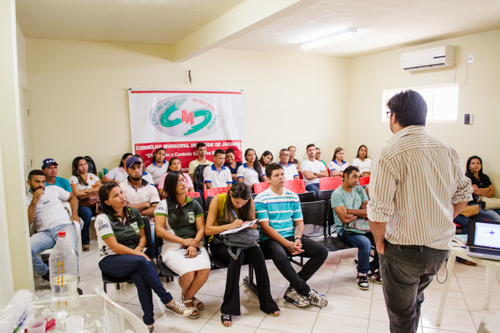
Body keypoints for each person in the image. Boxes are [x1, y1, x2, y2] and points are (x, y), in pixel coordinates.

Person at [368, 90, 473, 333]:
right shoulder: (447, 149)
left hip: (403, 250)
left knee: (401, 316)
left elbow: (378, 210)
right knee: (415, 300)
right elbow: (464, 195)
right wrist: (443, 219)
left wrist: (379, 242)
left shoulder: (388, 153)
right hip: (439, 249)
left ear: (393, 116)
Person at [96, 183, 191, 332]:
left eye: (121, 192)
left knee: (140, 275)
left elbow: (142, 237)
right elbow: (113, 246)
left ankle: (148, 322)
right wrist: (138, 254)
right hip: (111, 260)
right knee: (141, 262)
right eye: (116, 195)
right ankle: (168, 300)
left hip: (133, 260)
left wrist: (139, 249)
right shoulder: (102, 219)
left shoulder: (132, 212)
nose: (122, 197)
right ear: (107, 202)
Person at [205, 182, 280, 327]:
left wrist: (249, 224)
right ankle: (228, 308)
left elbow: (254, 225)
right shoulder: (218, 200)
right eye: (237, 202)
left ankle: (266, 301)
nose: (240, 206)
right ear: (231, 194)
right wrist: (230, 226)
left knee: (258, 253)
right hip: (220, 243)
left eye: (243, 203)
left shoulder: (249, 201)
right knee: (236, 256)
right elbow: (208, 230)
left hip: (242, 240)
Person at [255, 163, 328, 308]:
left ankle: (293, 288)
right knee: (281, 255)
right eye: (276, 175)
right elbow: (265, 227)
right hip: (270, 239)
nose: (281, 177)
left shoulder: (293, 196)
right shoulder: (261, 199)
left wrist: (297, 239)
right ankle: (306, 291)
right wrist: (286, 244)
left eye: (282, 174)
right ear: (268, 179)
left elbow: (299, 223)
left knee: (321, 252)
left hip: (291, 236)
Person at [154, 171, 210, 319]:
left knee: (205, 269)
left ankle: (187, 298)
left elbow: (201, 229)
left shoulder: (194, 204)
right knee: (189, 273)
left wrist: (194, 244)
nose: (183, 183)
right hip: (172, 247)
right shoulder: (163, 205)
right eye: (178, 182)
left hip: (195, 244)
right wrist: (184, 242)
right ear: (171, 186)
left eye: (184, 180)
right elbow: (159, 230)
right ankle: (190, 299)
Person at [331, 166, 381, 290]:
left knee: (381, 237)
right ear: (345, 176)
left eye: (358, 177)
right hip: (345, 229)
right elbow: (344, 219)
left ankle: (373, 268)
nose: (357, 180)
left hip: (361, 227)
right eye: (354, 176)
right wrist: (360, 212)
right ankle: (362, 273)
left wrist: (351, 211)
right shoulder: (337, 194)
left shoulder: (359, 190)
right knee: (365, 242)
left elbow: (370, 212)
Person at [27, 170, 80, 281]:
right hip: (44, 233)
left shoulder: (53, 189)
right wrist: (34, 201)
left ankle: (71, 282)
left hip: (64, 227)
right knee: (27, 249)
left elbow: (72, 197)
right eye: (37, 182)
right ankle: (47, 274)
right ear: (29, 183)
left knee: (70, 250)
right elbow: (28, 221)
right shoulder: (26, 199)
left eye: (42, 182)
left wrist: (74, 213)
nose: (41, 185)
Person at [69, 156, 102, 251]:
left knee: (104, 211)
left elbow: (100, 188)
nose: (84, 167)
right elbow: (76, 193)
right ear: (76, 167)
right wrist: (93, 189)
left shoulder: (93, 176)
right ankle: (85, 241)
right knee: (87, 214)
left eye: (85, 164)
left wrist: (86, 190)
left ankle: (104, 237)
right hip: (82, 204)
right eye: (81, 165)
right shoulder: (74, 178)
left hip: (96, 203)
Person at [465, 155, 500, 222]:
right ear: (469, 166)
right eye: (473, 163)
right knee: (496, 218)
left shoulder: (484, 177)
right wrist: (487, 189)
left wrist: (480, 191)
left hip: (487, 202)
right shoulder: (467, 178)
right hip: (474, 204)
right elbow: (476, 192)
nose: (476, 165)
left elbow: (492, 192)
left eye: (478, 163)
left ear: (481, 165)